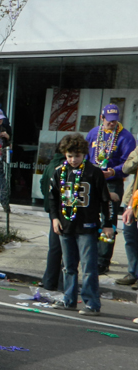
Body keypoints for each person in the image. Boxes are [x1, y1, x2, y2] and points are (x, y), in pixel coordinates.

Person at [49, 133, 115, 316]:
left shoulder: (93, 172)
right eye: (69, 156)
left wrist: (107, 224)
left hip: (87, 226)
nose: (72, 160)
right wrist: (55, 218)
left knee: (88, 267)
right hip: (66, 226)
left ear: (84, 154)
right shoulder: (60, 171)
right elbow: (52, 198)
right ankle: (69, 299)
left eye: (76, 156)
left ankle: (92, 303)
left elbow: (105, 200)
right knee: (68, 266)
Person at [85, 103, 136, 274]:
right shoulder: (93, 133)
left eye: (115, 121)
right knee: (91, 216)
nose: (112, 124)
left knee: (109, 219)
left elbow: (129, 163)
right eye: (109, 121)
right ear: (102, 118)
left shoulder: (126, 137)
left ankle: (103, 260)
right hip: (93, 181)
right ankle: (90, 254)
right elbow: (85, 155)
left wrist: (114, 171)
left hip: (112, 182)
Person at [39, 145, 65, 290]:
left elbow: (43, 183)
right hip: (63, 212)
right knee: (65, 249)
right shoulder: (62, 168)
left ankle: (49, 280)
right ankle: (61, 282)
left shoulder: (51, 165)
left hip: (53, 211)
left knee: (55, 248)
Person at [118, 146, 138, 289]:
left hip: (134, 202)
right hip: (133, 200)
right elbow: (126, 169)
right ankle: (133, 272)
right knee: (130, 237)